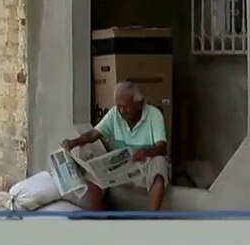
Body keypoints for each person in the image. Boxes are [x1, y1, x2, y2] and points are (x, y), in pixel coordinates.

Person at [62, 82, 170, 212]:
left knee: (159, 162)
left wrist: (145, 153)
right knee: (85, 154)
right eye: (119, 106)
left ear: (139, 105)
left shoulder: (154, 115)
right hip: (121, 168)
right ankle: (102, 219)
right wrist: (73, 143)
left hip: (144, 165)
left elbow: (162, 147)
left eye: (126, 107)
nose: (122, 111)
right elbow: (93, 134)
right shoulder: (115, 114)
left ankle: (152, 219)